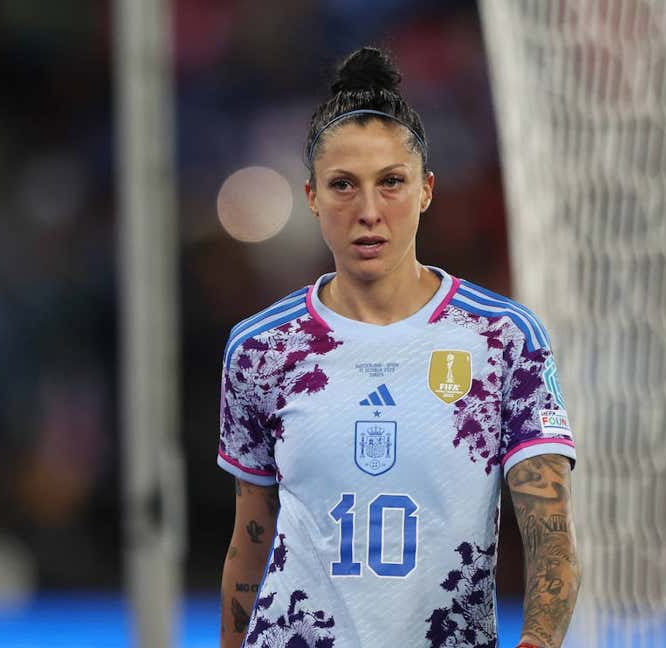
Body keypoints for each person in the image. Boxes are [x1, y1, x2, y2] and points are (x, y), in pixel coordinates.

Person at [217, 47, 580, 648]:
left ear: (426, 190)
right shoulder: (262, 348)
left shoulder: (503, 339)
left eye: (391, 183)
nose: (368, 212)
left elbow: (553, 542)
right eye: (342, 186)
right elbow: (248, 545)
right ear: (311, 196)